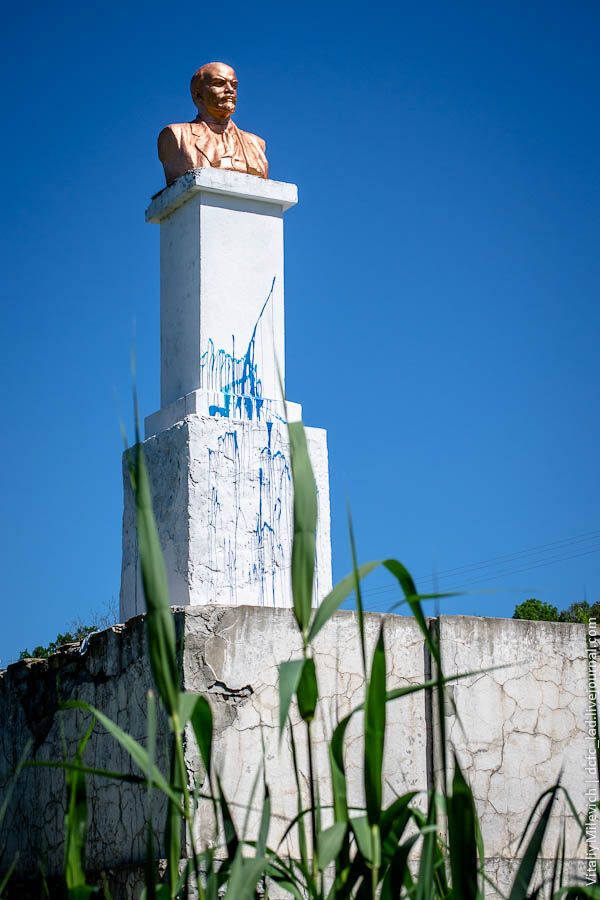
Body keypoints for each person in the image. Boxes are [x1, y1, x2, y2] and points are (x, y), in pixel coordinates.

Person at [158, 62, 269, 185]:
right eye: (219, 83)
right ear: (198, 95)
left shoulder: (256, 143)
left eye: (234, 85)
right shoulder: (176, 136)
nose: (230, 90)